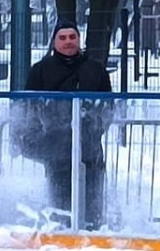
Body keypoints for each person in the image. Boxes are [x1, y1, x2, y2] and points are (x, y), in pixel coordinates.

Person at [20, 19, 113, 230]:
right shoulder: (40, 71)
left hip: (90, 149)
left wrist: (94, 131)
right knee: (60, 199)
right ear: (54, 42)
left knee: (92, 200)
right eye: (63, 38)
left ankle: (92, 229)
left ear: (79, 39)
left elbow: (107, 106)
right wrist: (41, 137)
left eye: (72, 37)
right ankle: (61, 231)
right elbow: (29, 107)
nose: (68, 42)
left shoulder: (95, 70)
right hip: (56, 150)